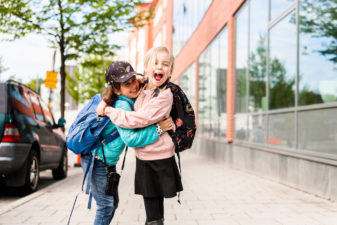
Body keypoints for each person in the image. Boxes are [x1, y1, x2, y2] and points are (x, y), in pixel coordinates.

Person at [98, 46, 183, 225]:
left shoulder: (164, 95)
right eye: (155, 63)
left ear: (171, 71)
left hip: (159, 158)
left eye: (165, 64)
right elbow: (120, 91)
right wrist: (105, 103)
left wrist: (109, 111)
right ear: (146, 67)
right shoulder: (144, 87)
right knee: (153, 214)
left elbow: (139, 119)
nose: (160, 67)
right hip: (145, 158)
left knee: (154, 216)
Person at [81, 61, 173, 225]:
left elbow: (148, 84)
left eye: (133, 81)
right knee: (105, 207)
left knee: (111, 204)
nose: (133, 86)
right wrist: (158, 129)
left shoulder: (128, 98)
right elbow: (130, 139)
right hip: (96, 161)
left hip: (106, 161)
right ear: (116, 89)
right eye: (126, 84)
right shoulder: (122, 104)